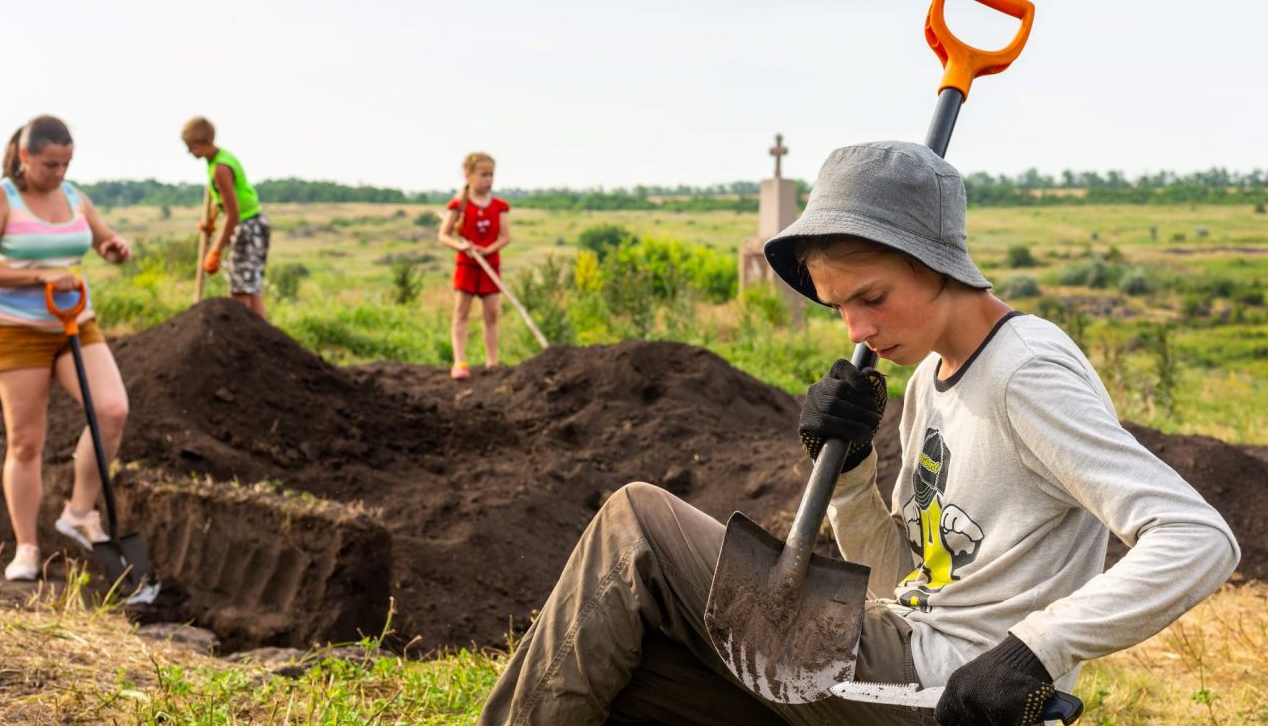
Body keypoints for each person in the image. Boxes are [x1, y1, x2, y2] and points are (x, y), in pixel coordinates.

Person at [476, 141, 1239, 726]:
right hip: (898, 648)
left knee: (637, 521)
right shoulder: (929, 380)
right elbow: (907, 574)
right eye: (840, 308)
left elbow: (1198, 538)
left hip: (953, 691)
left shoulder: (1025, 372)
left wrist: (1038, 652)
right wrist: (849, 470)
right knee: (629, 681)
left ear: (937, 260)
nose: (859, 329)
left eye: (871, 297)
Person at [0, 115, 134, 582]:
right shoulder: (0, 197)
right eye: (49, 165)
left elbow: (101, 238)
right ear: (25, 156)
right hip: (16, 328)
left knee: (112, 410)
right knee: (26, 440)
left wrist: (114, 247)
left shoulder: (74, 194)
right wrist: (37, 276)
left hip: (74, 323)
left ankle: (79, 512)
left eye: (65, 164)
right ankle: (26, 548)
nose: (58, 173)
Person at [181, 116, 270, 319]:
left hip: (248, 227)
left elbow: (234, 215)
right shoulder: (215, 162)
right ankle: (263, 340)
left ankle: (248, 340)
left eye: (191, 146)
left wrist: (216, 250)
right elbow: (219, 197)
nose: (189, 152)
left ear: (206, 142)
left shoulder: (221, 168)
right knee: (250, 288)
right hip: (254, 224)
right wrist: (211, 220)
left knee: (240, 291)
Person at [437, 152, 512, 379]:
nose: (488, 180)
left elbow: (505, 237)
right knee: (461, 313)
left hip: (490, 265)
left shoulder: (498, 206)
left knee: (491, 314)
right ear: (468, 175)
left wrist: (488, 250)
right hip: (466, 265)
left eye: (491, 175)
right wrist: (461, 247)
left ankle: (492, 362)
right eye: (483, 175)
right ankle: (459, 362)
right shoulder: (459, 205)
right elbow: (444, 235)